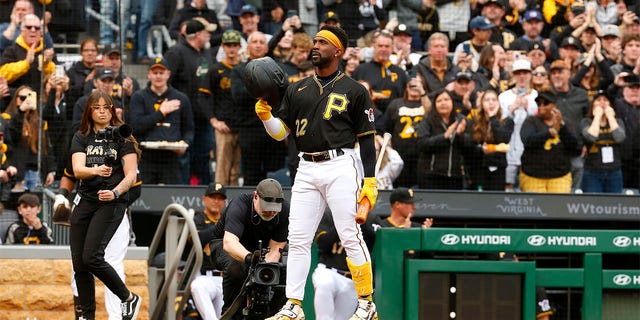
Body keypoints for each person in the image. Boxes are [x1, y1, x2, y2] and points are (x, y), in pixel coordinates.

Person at [256, 26, 379, 319]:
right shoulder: (297, 88)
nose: (315, 46)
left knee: (350, 234)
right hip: (306, 165)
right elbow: (280, 133)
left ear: (338, 51)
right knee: (297, 238)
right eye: (314, 41)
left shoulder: (355, 89)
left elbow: (368, 139)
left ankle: (366, 302)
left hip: (341, 162)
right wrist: (266, 117)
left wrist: (370, 180)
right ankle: (294, 306)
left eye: (323, 42)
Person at [69, 89, 142, 320]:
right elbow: (78, 169)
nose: (102, 112)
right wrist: (96, 170)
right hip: (84, 201)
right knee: (79, 264)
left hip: (110, 203)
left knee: (92, 257)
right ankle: (86, 316)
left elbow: (131, 175)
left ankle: (128, 298)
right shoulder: (81, 136)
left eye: (106, 107)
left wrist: (115, 191)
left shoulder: (124, 137)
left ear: (113, 110)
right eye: (97, 107)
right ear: (89, 111)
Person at [211, 178, 289, 316]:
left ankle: (276, 313)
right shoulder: (240, 205)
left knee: (281, 269)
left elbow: (277, 246)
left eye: (274, 210)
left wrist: (265, 266)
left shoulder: (285, 210)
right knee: (237, 268)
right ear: (255, 196)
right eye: (267, 208)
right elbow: (229, 242)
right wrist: (250, 258)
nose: (271, 212)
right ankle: (230, 312)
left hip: (262, 249)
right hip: (226, 245)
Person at [129, 57, 195, 184]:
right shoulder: (139, 97)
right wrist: (161, 112)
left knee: (172, 197)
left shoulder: (181, 98)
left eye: (161, 73)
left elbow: (189, 128)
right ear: (148, 74)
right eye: (155, 73)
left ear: (168, 74)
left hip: (172, 158)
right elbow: (136, 126)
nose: (158, 76)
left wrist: (185, 144)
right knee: (147, 195)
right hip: (147, 157)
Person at [520, 91, 580, 193]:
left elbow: (575, 148)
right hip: (533, 175)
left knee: (558, 207)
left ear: (555, 105)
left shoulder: (566, 123)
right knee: (536, 207)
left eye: (546, 103)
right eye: (539, 104)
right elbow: (527, 140)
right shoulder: (531, 121)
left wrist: (561, 127)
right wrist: (551, 132)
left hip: (560, 176)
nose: (541, 106)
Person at [204, 30, 242, 186]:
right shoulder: (215, 70)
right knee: (222, 168)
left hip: (242, 125)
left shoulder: (244, 69)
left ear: (240, 47)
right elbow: (204, 96)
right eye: (228, 45)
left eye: (234, 45)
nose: (231, 49)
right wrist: (214, 121)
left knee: (237, 170)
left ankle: (235, 205)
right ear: (223, 47)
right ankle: (219, 201)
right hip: (223, 125)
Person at [415, 89, 469, 190]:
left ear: (452, 102)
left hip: (455, 176)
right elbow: (422, 144)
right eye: (439, 101)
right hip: (430, 176)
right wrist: (445, 136)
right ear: (434, 104)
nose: (443, 103)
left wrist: (460, 135)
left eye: (446, 100)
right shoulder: (428, 120)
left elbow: (470, 145)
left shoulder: (461, 120)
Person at [5, 85, 56, 191]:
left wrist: (51, 170)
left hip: (36, 171)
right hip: (15, 171)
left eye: (30, 97)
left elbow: (47, 147)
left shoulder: (39, 122)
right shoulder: (8, 118)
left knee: (35, 203)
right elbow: (11, 136)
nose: (26, 101)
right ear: (16, 99)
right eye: (23, 98)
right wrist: (21, 112)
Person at [498, 59, 538, 191]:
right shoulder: (504, 96)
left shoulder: (536, 95)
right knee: (507, 186)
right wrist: (512, 109)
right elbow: (499, 122)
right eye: (518, 73)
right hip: (509, 148)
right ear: (513, 75)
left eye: (525, 73)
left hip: (529, 149)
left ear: (530, 74)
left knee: (529, 187)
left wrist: (529, 109)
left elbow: (539, 123)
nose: (522, 76)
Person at [383, 76, 429, 188]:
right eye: (412, 84)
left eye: (419, 84)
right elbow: (386, 128)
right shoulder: (395, 103)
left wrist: (422, 92)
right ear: (406, 87)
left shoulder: (427, 102)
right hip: (400, 155)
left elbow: (432, 114)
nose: (415, 86)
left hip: (422, 157)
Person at [466, 88, 514, 191]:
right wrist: (481, 150)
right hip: (477, 168)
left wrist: (493, 118)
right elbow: (468, 145)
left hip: (497, 169)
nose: (491, 102)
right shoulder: (473, 122)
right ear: (482, 104)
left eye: (494, 100)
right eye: (487, 100)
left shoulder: (507, 121)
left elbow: (503, 139)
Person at [191, 183, 227, 320]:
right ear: (204, 199)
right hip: (207, 277)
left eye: (220, 198)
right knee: (197, 286)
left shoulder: (229, 219)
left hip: (227, 279)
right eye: (212, 197)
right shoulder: (198, 219)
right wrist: (222, 226)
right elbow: (198, 239)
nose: (216, 201)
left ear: (224, 202)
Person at [353, 29, 408, 113]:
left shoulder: (400, 72)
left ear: (392, 48)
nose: (383, 49)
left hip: (393, 120)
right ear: (374, 47)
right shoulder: (361, 70)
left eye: (387, 46)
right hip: (368, 120)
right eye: (380, 46)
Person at [581, 92, 626, 193]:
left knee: (614, 204)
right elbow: (591, 137)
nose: (602, 103)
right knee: (593, 204)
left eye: (605, 100)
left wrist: (610, 117)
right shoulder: (586, 122)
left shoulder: (617, 122)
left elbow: (620, 138)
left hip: (614, 171)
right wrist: (597, 117)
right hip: (593, 172)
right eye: (598, 100)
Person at [0, 13, 55, 92]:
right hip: (17, 98)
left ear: (41, 32)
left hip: (42, 98)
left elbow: (56, 77)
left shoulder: (47, 51)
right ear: (22, 31)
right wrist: (26, 63)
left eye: (37, 28)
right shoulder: (12, 50)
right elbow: (2, 74)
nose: (33, 30)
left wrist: (46, 64)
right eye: (29, 27)